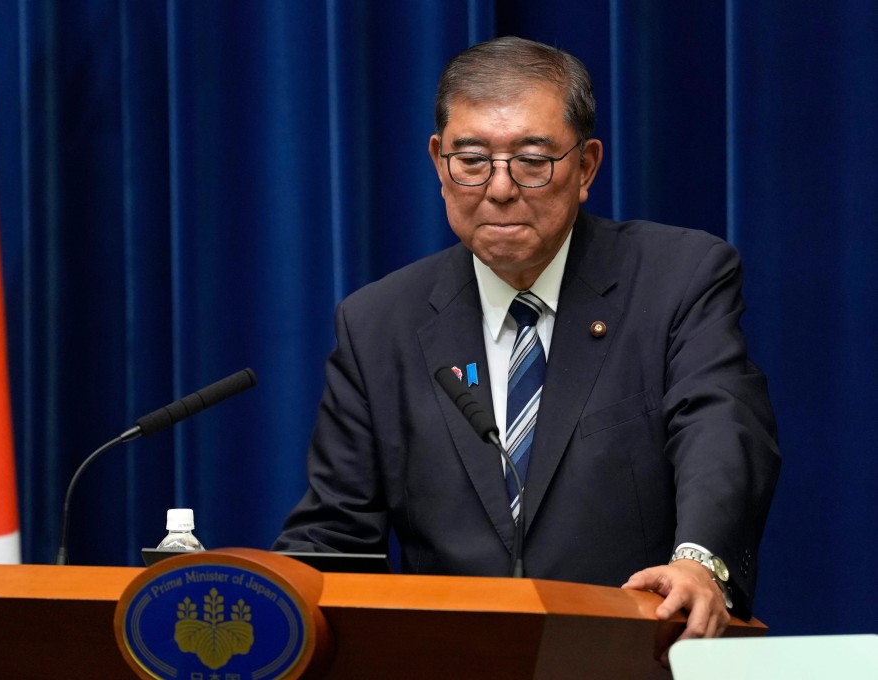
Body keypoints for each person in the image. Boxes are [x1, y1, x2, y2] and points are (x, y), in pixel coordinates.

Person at [273, 36, 780, 654]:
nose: (501, 188)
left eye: (533, 160)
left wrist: (700, 562)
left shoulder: (678, 277)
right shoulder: (379, 322)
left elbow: (721, 426)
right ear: (438, 162)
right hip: (450, 663)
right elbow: (334, 538)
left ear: (587, 166)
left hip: (632, 655)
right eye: (472, 159)